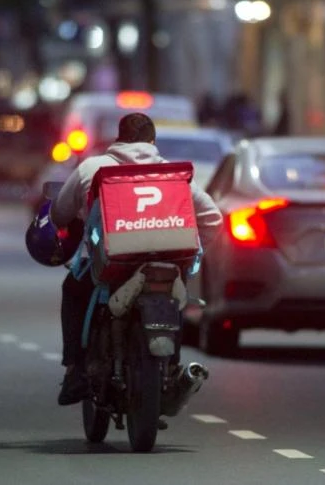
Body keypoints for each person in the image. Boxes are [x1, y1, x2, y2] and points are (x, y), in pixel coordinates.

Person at [49, 112, 223, 405]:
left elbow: (60, 214)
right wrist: (191, 249)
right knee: (174, 300)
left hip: (110, 265)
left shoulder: (92, 167)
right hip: (166, 265)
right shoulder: (173, 174)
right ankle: (171, 369)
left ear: (119, 138)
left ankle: (75, 369)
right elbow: (212, 218)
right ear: (152, 141)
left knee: (73, 289)